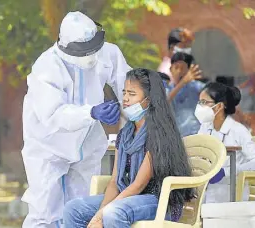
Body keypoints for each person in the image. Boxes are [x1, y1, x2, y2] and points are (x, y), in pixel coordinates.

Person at [21, 11, 131, 228]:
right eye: (84, 50)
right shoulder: (46, 67)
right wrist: (92, 112)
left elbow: (129, 85)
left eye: (94, 47)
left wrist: (129, 112)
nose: (91, 55)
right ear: (66, 47)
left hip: (88, 143)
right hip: (49, 146)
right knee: (44, 211)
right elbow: (52, 114)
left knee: (81, 207)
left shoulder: (107, 53)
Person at [63, 68, 195, 228]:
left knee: (113, 212)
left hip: (158, 199)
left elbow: (138, 185)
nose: (125, 98)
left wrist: (102, 214)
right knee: (73, 209)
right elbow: (114, 181)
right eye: (124, 92)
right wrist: (100, 213)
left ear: (149, 99)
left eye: (132, 94)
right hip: (128, 194)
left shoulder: (159, 134)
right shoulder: (125, 133)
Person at [195, 82, 255, 203]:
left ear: (219, 106)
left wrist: (226, 172)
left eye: (204, 102)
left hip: (232, 191)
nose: (199, 107)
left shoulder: (238, 130)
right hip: (208, 190)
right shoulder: (205, 127)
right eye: (199, 102)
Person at [167, 52, 204, 137]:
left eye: (183, 68)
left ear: (189, 71)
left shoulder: (197, 86)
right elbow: (163, 102)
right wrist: (183, 82)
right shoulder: (166, 89)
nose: (179, 71)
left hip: (196, 134)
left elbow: (212, 95)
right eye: (176, 67)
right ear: (170, 69)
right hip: (176, 137)